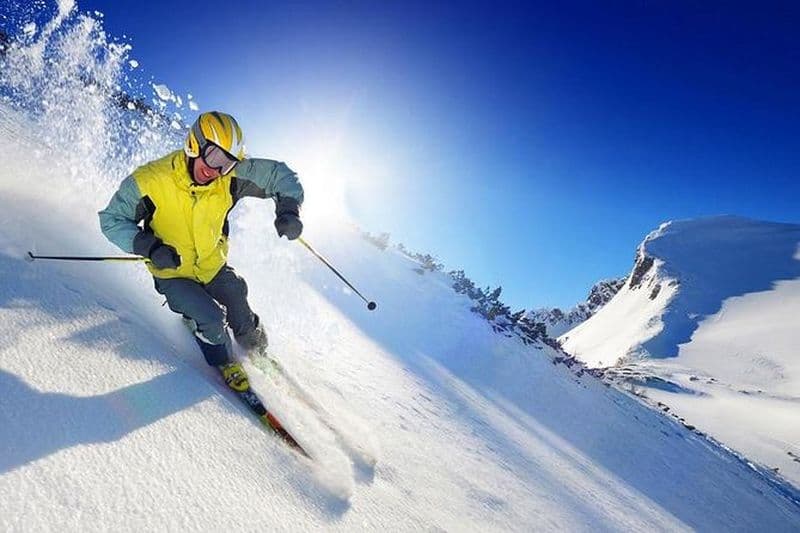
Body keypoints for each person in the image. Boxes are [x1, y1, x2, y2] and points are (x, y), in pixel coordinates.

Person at [99, 111, 304, 393]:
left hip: (212, 266)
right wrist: (149, 247)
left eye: (227, 162)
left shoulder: (228, 177)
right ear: (194, 144)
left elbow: (279, 174)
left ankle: (256, 349)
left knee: (238, 302)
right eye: (213, 157)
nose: (216, 170)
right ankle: (224, 361)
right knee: (211, 319)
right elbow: (112, 220)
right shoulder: (151, 180)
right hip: (172, 272)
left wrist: (289, 210)